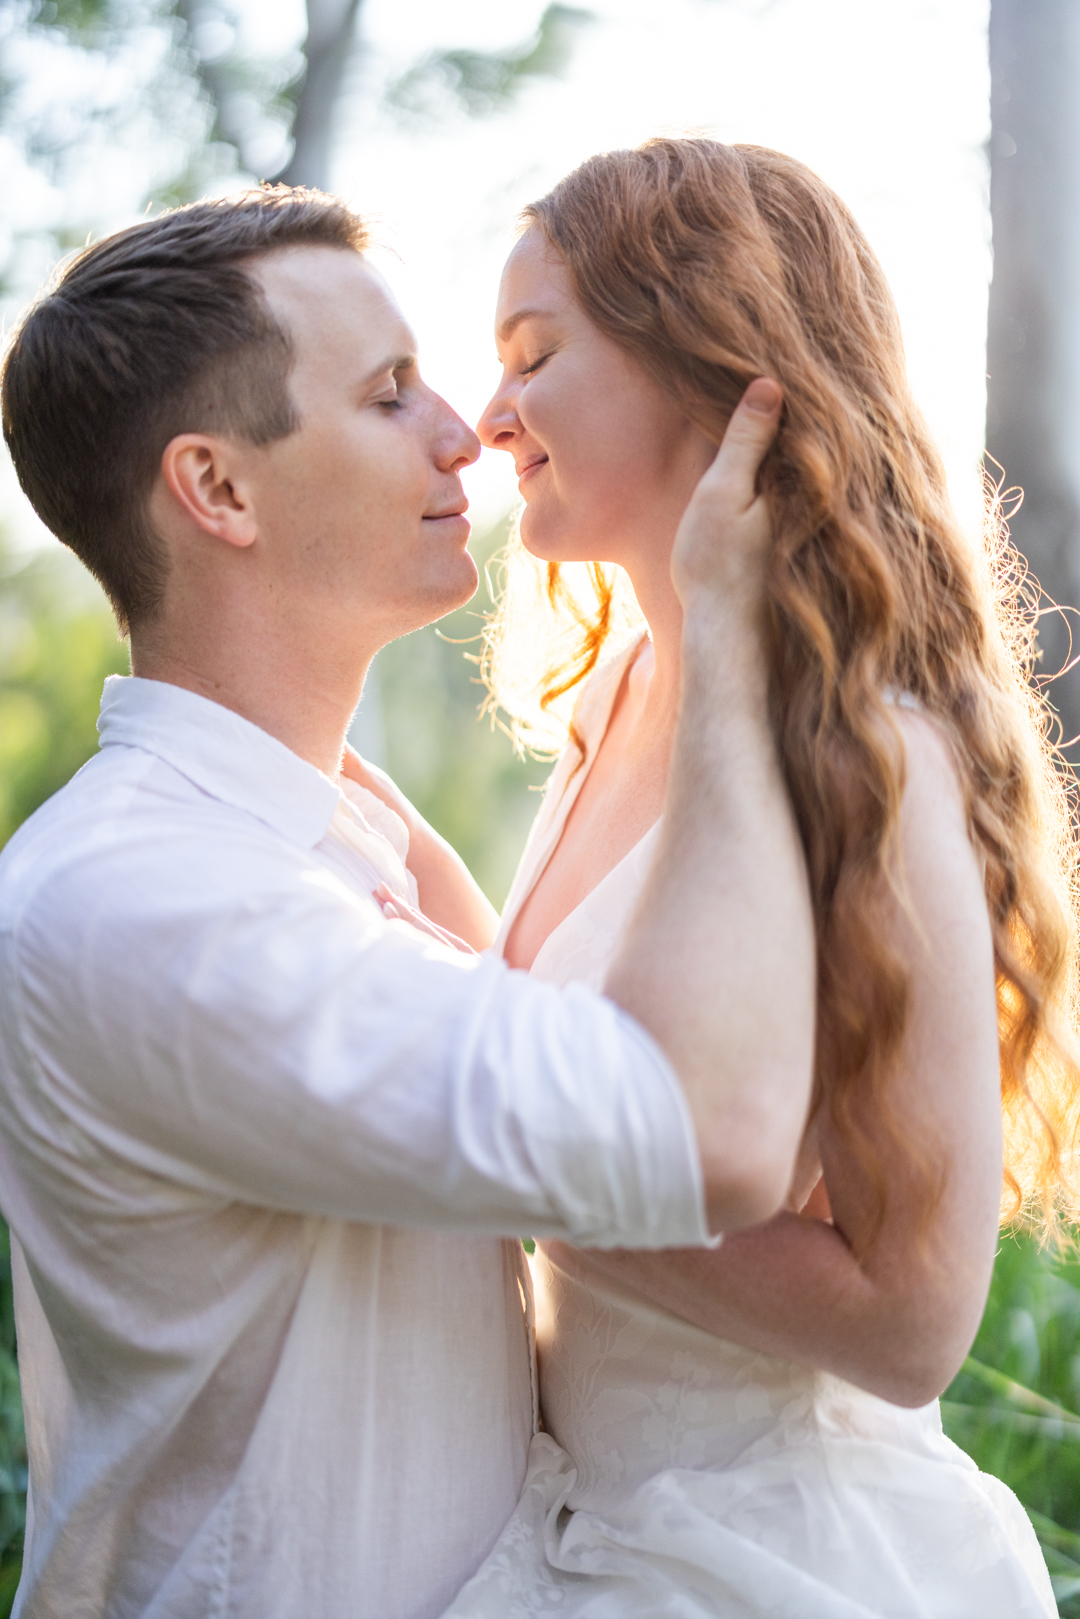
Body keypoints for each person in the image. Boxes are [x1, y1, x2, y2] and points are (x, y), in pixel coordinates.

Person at [0, 188, 816, 1618]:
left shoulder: (322, 833)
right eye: (389, 397)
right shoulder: (151, 903)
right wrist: (730, 647)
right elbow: (703, 1140)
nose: (469, 431)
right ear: (220, 492)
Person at [433, 140, 1078, 1616]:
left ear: (713, 361)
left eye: (536, 358)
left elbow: (914, 1325)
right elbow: (576, 1050)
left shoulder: (871, 757)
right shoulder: (613, 700)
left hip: (773, 1557)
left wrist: (488, 1169)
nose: (489, 419)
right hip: (575, 1522)